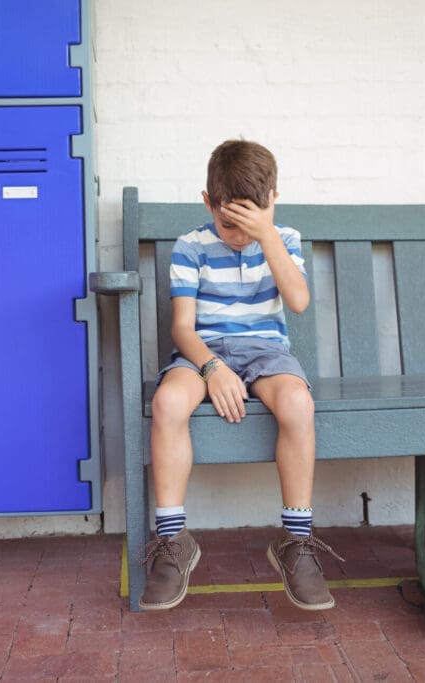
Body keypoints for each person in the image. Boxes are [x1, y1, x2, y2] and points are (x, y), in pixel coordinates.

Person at [139, 139, 343, 611]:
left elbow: (298, 301)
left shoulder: (283, 239)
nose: (236, 236)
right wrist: (212, 367)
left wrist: (266, 234)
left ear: (271, 202)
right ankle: (174, 542)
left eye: (247, 223)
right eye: (227, 223)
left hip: (266, 352)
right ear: (208, 203)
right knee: (167, 403)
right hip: (202, 352)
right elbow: (183, 328)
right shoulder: (191, 246)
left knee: (297, 403)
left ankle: (295, 540)